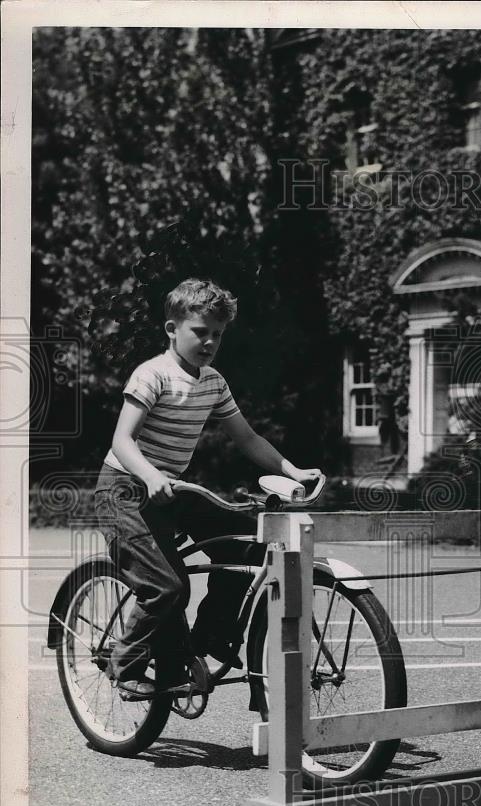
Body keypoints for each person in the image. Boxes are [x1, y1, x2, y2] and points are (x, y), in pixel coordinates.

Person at [94, 277, 320, 699]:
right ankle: (125, 664)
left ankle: (205, 642)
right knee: (167, 586)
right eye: (200, 331)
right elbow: (122, 441)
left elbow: (248, 438)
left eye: (217, 334)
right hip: (125, 488)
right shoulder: (152, 375)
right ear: (171, 329)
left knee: (242, 550)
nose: (210, 341)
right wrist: (150, 474)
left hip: (171, 490)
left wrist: (292, 470)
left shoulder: (213, 382)